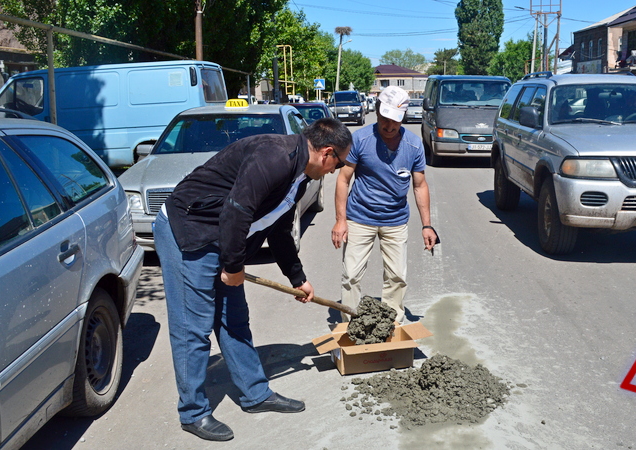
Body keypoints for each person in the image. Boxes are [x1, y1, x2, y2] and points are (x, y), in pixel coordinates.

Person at [155, 118, 352, 442]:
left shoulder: (301, 176)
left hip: (223, 240)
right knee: (193, 327)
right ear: (327, 153)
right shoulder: (274, 158)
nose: (336, 171)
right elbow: (236, 211)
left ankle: (255, 394)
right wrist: (233, 267)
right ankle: (193, 412)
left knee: (234, 319)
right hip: (189, 234)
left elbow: (278, 227)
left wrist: (297, 277)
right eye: (339, 163)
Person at [331, 86, 439, 323]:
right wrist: (340, 220)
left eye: (395, 122)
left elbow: (419, 185)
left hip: (395, 221)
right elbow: (343, 179)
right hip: (359, 218)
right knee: (350, 276)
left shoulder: (413, 145)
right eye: (384, 120)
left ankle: (391, 324)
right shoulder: (360, 139)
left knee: (397, 277)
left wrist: (427, 226)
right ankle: (351, 324)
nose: (389, 127)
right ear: (377, 113)